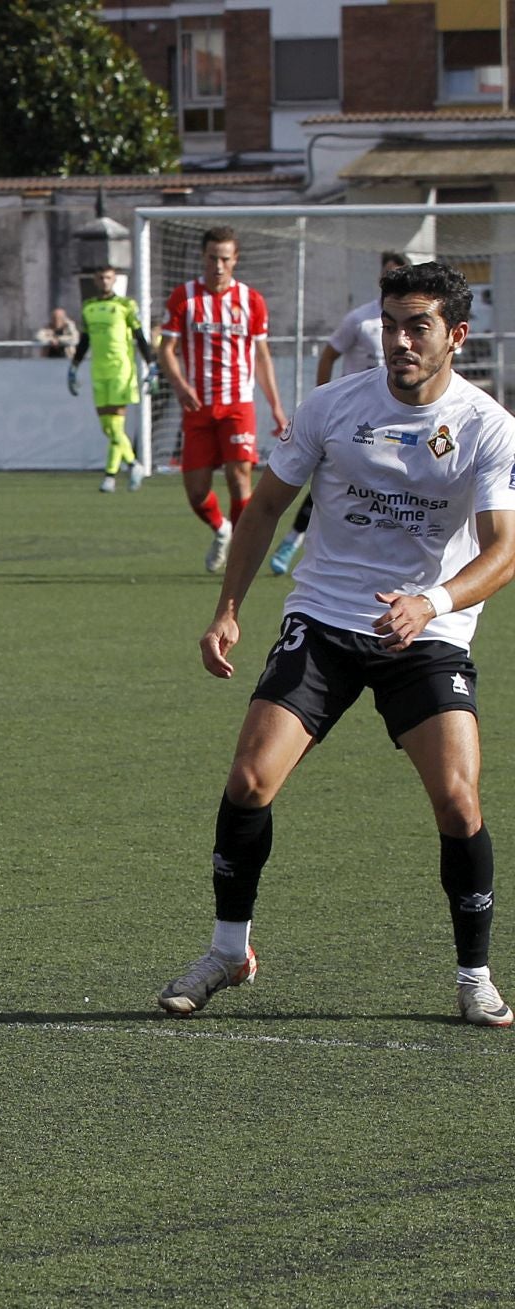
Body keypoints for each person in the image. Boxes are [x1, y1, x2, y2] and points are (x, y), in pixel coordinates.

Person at [157, 261, 515, 1029]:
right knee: (250, 779)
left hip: (427, 633)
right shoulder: (331, 407)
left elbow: (504, 550)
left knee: (457, 800)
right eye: (389, 324)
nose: (398, 340)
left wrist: (432, 601)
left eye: (417, 326)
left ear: (457, 335)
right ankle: (228, 949)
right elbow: (263, 510)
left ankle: (474, 974)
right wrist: (227, 609)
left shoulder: (486, 425)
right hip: (323, 618)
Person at [155, 227, 290, 573]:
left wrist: (274, 405)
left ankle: (241, 556)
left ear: (235, 260)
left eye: (225, 259)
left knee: (239, 476)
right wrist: (180, 385)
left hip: (237, 405)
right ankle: (222, 529)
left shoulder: (251, 301)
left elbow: (261, 356)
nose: (218, 266)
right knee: (197, 493)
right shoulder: (184, 298)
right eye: (213, 258)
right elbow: (166, 349)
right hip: (197, 406)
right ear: (204, 257)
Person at [270, 251, 410, 577]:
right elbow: (329, 355)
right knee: (333, 477)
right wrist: (325, 402)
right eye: (390, 275)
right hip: (358, 419)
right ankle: (293, 539)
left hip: (396, 420)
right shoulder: (360, 320)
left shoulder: (413, 326)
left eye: (400, 274)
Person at [68, 266, 156, 494]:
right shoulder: (89, 307)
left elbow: (140, 337)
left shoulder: (126, 306)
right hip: (99, 371)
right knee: (108, 427)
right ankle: (131, 465)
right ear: (96, 281)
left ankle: (111, 475)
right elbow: (84, 341)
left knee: (115, 425)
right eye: (100, 278)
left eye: (108, 277)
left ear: (114, 280)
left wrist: (151, 364)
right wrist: (74, 367)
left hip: (121, 371)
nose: (104, 281)